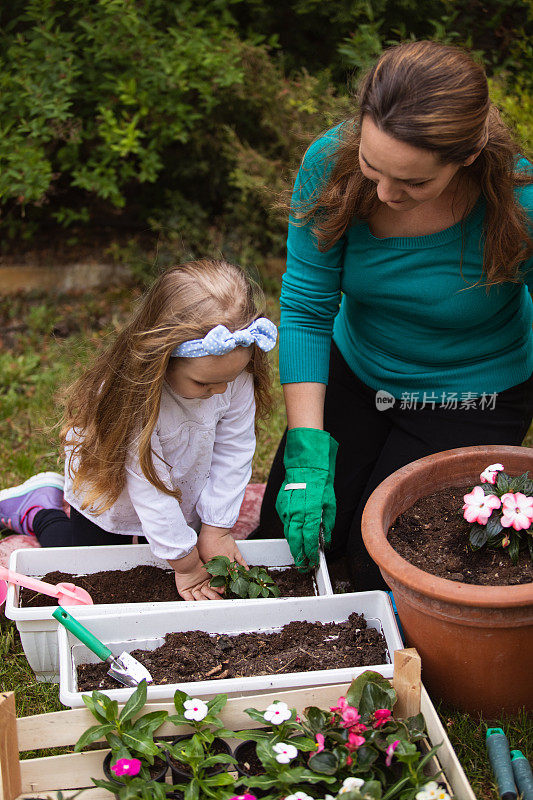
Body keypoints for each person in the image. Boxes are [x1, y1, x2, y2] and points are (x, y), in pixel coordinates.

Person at [253, 40, 533, 588]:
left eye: (414, 182)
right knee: (290, 543)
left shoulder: (521, 200)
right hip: (358, 370)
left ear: (468, 155)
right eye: (372, 166)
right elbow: (308, 308)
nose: (383, 193)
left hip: (471, 393)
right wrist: (307, 453)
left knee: (381, 564)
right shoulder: (329, 164)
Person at [0, 260, 277, 600]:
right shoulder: (131, 396)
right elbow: (149, 486)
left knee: (170, 551)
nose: (221, 391)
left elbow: (234, 451)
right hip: (111, 487)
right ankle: (40, 509)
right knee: (87, 573)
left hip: (178, 481)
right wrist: (186, 564)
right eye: (205, 382)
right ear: (161, 359)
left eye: (230, 379)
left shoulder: (232, 375)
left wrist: (216, 529)